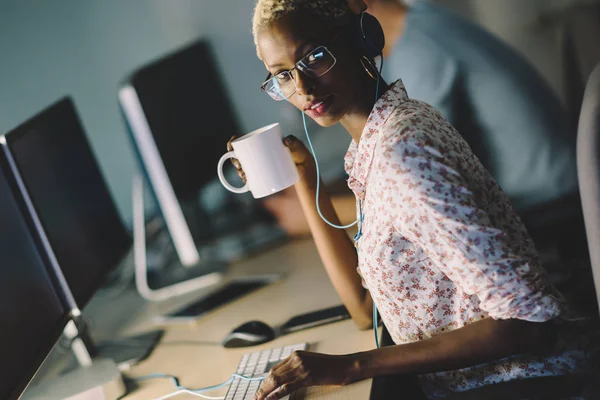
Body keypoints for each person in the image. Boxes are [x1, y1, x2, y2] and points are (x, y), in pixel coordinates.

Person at [236, 0, 597, 399]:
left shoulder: (401, 153)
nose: (302, 88)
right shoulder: (377, 142)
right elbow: (363, 308)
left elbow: (530, 320)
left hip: (526, 384)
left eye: (313, 57)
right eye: (282, 76)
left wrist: (352, 365)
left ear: (361, 37)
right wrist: (303, 176)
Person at [260, 0, 580, 245]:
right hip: (544, 204)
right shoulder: (422, 24)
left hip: (552, 219)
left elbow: (425, 188)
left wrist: (314, 212)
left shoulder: (421, 52)